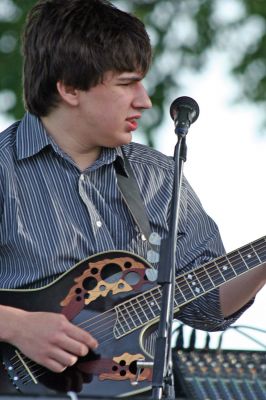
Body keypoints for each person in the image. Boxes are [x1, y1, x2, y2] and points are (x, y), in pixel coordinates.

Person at [0, 0, 265, 396]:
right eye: (127, 83)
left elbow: (208, 307)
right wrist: (16, 326)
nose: (145, 100)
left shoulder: (157, 177)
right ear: (69, 87)